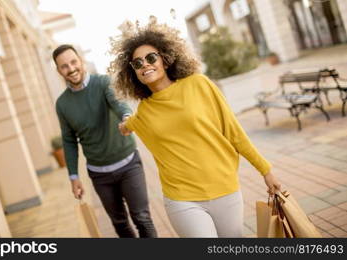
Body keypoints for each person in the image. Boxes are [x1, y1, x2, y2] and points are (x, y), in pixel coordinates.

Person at [110, 21, 281, 238]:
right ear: (133, 72)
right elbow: (129, 125)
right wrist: (124, 126)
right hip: (182, 199)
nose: (145, 64)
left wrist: (266, 170)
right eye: (137, 63)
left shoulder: (199, 84)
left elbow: (233, 131)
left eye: (151, 58)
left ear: (165, 58)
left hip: (224, 188)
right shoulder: (144, 111)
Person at [53, 44, 157, 238]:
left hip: (128, 165)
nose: (71, 68)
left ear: (81, 60)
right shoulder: (62, 104)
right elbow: (68, 141)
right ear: (59, 70)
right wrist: (73, 176)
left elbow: (118, 103)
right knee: (120, 224)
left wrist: (127, 118)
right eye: (64, 66)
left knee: (142, 218)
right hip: (100, 175)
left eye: (73, 62)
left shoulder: (102, 83)